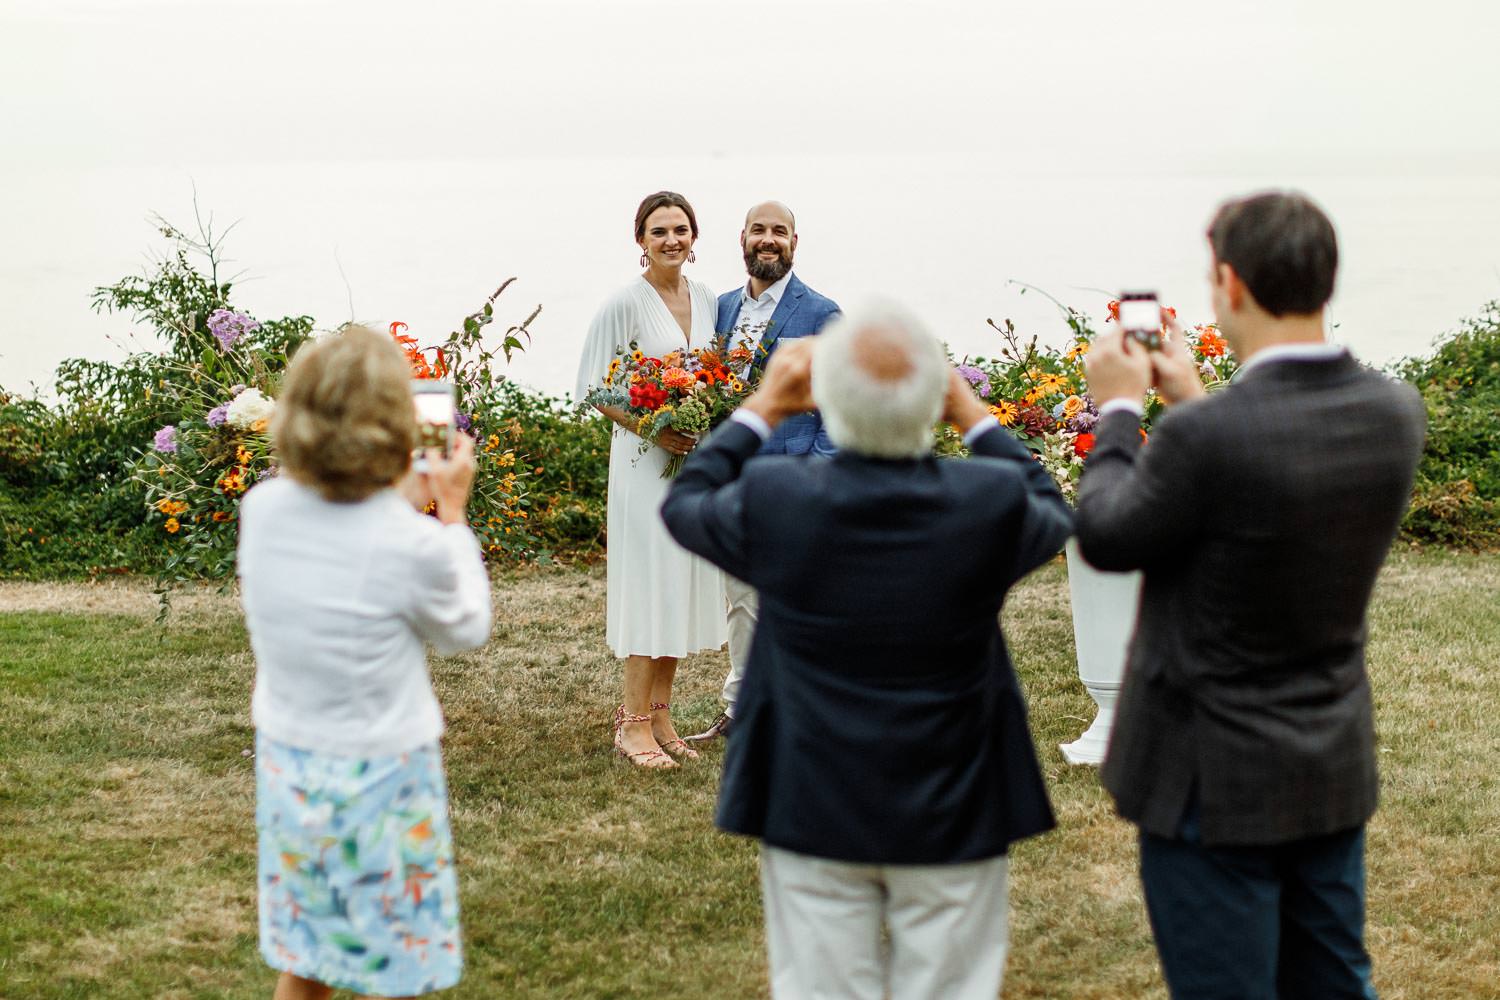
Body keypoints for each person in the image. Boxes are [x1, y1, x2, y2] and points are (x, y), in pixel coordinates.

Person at [661, 302, 1072, 999]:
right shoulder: (988, 497)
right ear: (933, 400)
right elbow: (1052, 508)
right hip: (958, 797)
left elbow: (688, 499)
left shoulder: (776, 495)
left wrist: (763, 404)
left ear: (829, 403)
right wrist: (972, 414)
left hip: (809, 792)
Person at [1075, 191, 1426, 999]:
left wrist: (1121, 409)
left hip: (1211, 779)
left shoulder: (1211, 438)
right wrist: (1191, 399)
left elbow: (1109, 533)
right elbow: (1265, 482)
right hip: (1327, 759)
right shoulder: (1393, 412)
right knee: (1334, 981)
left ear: (1229, 284)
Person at [238, 326, 493, 1000]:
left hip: (290, 763)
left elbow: (347, 532)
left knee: (308, 953)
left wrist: (406, 505)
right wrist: (454, 514)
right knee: (396, 966)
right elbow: (467, 626)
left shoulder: (260, 511)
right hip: (384, 778)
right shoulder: (410, 542)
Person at [574, 190, 727, 769]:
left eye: (681, 229)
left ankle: (662, 715)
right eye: (659, 231)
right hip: (644, 465)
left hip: (695, 465)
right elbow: (593, 387)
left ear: (694, 236)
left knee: (681, 585)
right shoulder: (624, 304)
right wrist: (653, 426)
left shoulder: (709, 298)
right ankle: (631, 724)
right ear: (640, 240)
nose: (671, 240)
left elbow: (722, 371)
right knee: (649, 584)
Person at [686, 200, 841, 745]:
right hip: (734, 481)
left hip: (794, 478)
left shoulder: (821, 313)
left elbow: (834, 409)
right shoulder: (719, 309)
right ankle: (742, 708)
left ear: (795, 242)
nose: (768, 239)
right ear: (743, 239)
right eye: (759, 230)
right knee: (742, 600)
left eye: (780, 231)